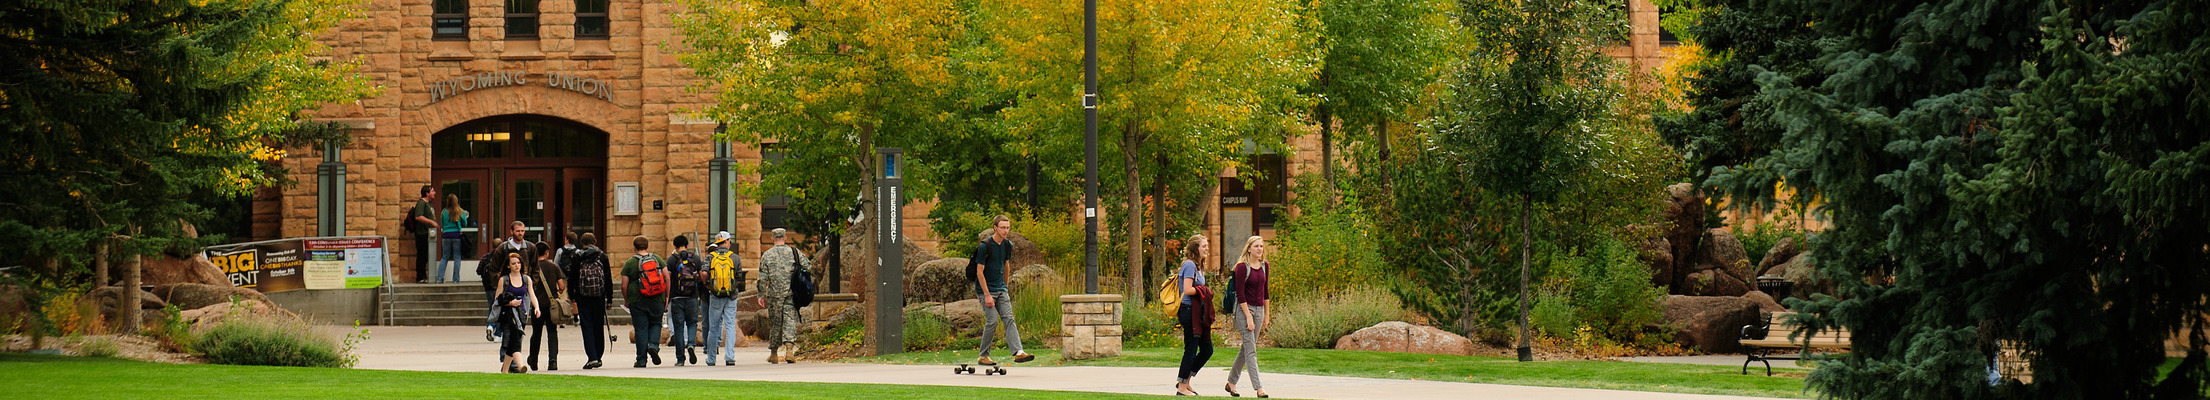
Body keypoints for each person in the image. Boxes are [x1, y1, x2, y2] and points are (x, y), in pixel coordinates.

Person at [970, 215, 1036, 366]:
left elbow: (1006, 266)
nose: (1006, 230)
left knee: (1009, 318)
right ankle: (983, 355)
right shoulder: (985, 246)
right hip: (986, 290)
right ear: (995, 228)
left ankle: (1018, 352)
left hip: (1000, 289)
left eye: (1007, 227)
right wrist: (987, 295)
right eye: (1002, 227)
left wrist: (1004, 287)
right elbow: (980, 272)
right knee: (992, 321)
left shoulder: (1008, 245)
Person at [1225, 236, 1271, 398]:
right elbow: (1241, 294)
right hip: (1244, 310)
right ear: (1249, 248)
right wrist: (1248, 317)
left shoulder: (1265, 266)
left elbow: (1266, 292)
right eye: (1256, 246)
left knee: (1246, 348)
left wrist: (1266, 315)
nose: (1260, 249)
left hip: (1259, 311)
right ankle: (1259, 388)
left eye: (1261, 246)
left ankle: (1231, 382)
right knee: (1251, 350)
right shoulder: (1241, 268)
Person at [758, 228, 811, 364]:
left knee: (775, 323)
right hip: (791, 293)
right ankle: (789, 350)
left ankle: (774, 353)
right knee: (789, 320)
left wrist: (760, 294)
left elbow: (762, 278)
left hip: (775, 294)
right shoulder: (794, 252)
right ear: (785, 238)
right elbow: (808, 266)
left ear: (772, 238)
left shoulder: (767, 255)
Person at [1174, 235, 1215, 396]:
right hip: (1189, 311)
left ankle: (1186, 380)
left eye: (1207, 245)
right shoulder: (1190, 265)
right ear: (1195, 248)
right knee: (1190, 349)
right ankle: (1182, 387)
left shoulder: (1199, 266)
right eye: (1203, 246)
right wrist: (1204, 290)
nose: (1207, 248)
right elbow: (1187, 289)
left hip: (1199, 313)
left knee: (1207, 349)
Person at [479, 221, 534, 342]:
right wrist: (499, 284)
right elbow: (493, 268)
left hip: (523, 289)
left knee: (522, 320)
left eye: (522, 231)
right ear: (511, 231)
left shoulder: (530, 248)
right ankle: (507, 351)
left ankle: (515, 349)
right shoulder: (503, 248)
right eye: (518, 231)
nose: (520, 233)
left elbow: (535, 267)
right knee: (508, 322)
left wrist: (532, 283)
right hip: (508, 289)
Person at [566, 233, 613, 369]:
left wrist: (572, 295)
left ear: (582, 243)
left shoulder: (578, 256)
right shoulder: (602, 256)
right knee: (598, 326)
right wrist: (609, 299)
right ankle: (598, 356)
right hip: (599, 296)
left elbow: (573, 277)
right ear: (595, 241)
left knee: (587, 327)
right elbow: (608, 278)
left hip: (583, 296)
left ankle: (591, 357)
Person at [621, 235, 667, 368]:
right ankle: (653, 345)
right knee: (656, 324)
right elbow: (666, 277)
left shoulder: (630, 262)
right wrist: (667, 296)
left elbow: (624, 285)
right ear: (647, 246)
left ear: (634, 247)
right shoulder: (657, 259)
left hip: (637, 300)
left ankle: (641, 360)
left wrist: (627, 300)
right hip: (657, 298)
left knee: (640, 329)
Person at [702, 231, 748, 366]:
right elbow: (739, 277)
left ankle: (711, 358)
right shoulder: (734, 257)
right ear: (727, 241)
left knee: (713, 327)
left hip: (715, 295)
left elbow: (704, 272)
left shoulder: (711, 256)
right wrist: (732, 286)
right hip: (731, 296)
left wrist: (708, 285)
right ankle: (729, 356)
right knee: (730, 325)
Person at [492, 252, 540, 374]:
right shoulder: (504, 280)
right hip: (508, 314)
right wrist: (510, 303)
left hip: (521, 314)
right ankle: (521, 366)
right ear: (508, 266)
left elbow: (532, 295)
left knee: (512, 341)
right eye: (513, 263)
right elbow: (497, 299)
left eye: (518, 263)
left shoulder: (526, 279)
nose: (516, 265)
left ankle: (505, 370)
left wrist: (536, 308)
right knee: (515, 339)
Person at [525, 241, 566, 371]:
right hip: (551, 305)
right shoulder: (554, 267)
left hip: (537, 304)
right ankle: (553, 361)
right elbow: (561, 286)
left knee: (536, 333)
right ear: (547, 252)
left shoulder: (532, 268)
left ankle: (534, 360)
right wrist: (557, 291)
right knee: (552, 332)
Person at [665, 234, 704, 366]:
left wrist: (667, 295)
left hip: (677, 297)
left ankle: (680, 359)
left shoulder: (671, 259)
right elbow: (700, 275)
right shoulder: (695, 258)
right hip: (692, 296)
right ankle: (691, 344)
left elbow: (668, 278)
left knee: (678, 327)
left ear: (674, 246)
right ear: (687, 245)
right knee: (692, 323)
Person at [434, 194, 471, 284]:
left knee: (445, 257)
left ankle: (439, 278)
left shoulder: (444, 212)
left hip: (446, 235)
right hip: (456, 235)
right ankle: (455, 279)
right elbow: (465, 223)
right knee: (457, 257)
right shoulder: (459, 211)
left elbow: (442, 224)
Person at [408, 185, 438, 283]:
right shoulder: (421, 203)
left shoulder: (429, 204)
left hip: (428, 233)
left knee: (425, 255)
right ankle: (420, 276)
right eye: (432, 191)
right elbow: (418, 216)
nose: (434, 193)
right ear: (427, 193)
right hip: (422, 233)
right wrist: (431, 222)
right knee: (422, 254)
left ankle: (424, 275)